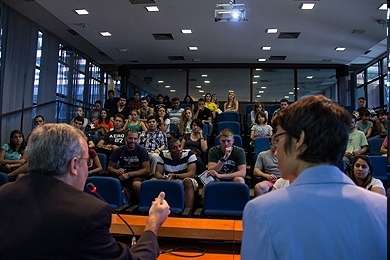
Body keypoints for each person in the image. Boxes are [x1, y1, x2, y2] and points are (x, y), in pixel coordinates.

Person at [241, 95, 386, 260]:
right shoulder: (382, 208)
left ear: (299, 140)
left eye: (278, 138)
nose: (276, 148)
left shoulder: (261, 212)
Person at [0, 123, 170, 259]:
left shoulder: (4, 194)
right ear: (74, 165)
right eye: (86, 161)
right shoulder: (89, 213)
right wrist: (153, 223)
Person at [155, 137, 197, 212]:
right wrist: (162, 177)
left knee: (188, 182)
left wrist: (175, 176)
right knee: (153, 182)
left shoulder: (189, 154)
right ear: (169, 150)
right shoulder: (163, 155)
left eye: (179, 146)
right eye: (174, 148)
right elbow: (157, 173)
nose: (178, 149)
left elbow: (191, 174)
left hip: (185, 178)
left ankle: (188, 211)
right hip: (168, 178)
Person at [108, 131, 150, 203]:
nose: (133, 141)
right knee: (112, 183)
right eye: (130, 138)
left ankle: (142, 204)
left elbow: (146, 169)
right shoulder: (118, 150)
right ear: (126, 139)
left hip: (137, 176)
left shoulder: (142, 150)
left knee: (136, 184)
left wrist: (129, 174)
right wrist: (117, 171)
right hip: (122, 175)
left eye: (135, 139)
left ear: (138, 140)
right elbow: (109, 167)